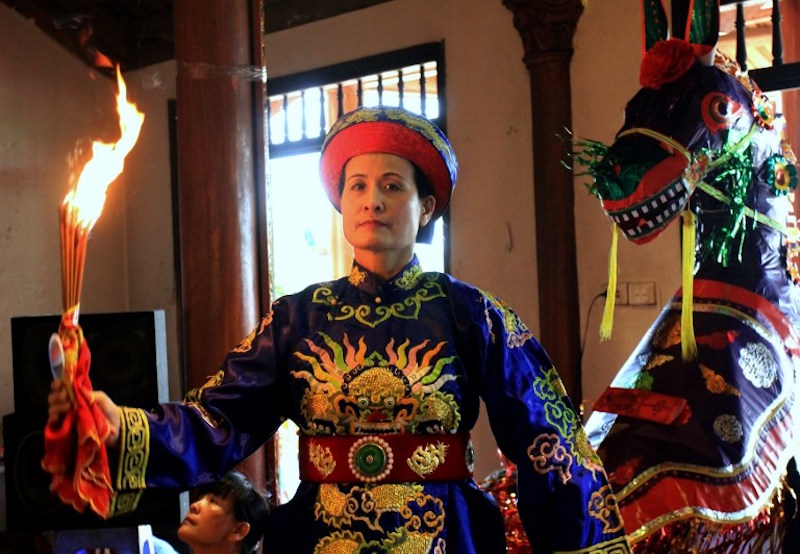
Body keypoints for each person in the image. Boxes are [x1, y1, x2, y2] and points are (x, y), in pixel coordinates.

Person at [49, 106, 630, 553]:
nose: (372, 200)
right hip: (320, 536)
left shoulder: (470, 314)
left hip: (444, 535)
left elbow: (549, 443)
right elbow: (220, 418)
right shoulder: (298, 316)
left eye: (392, 186)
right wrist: (117, 424)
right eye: (357, 185)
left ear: (426, 208)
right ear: (341, 202)